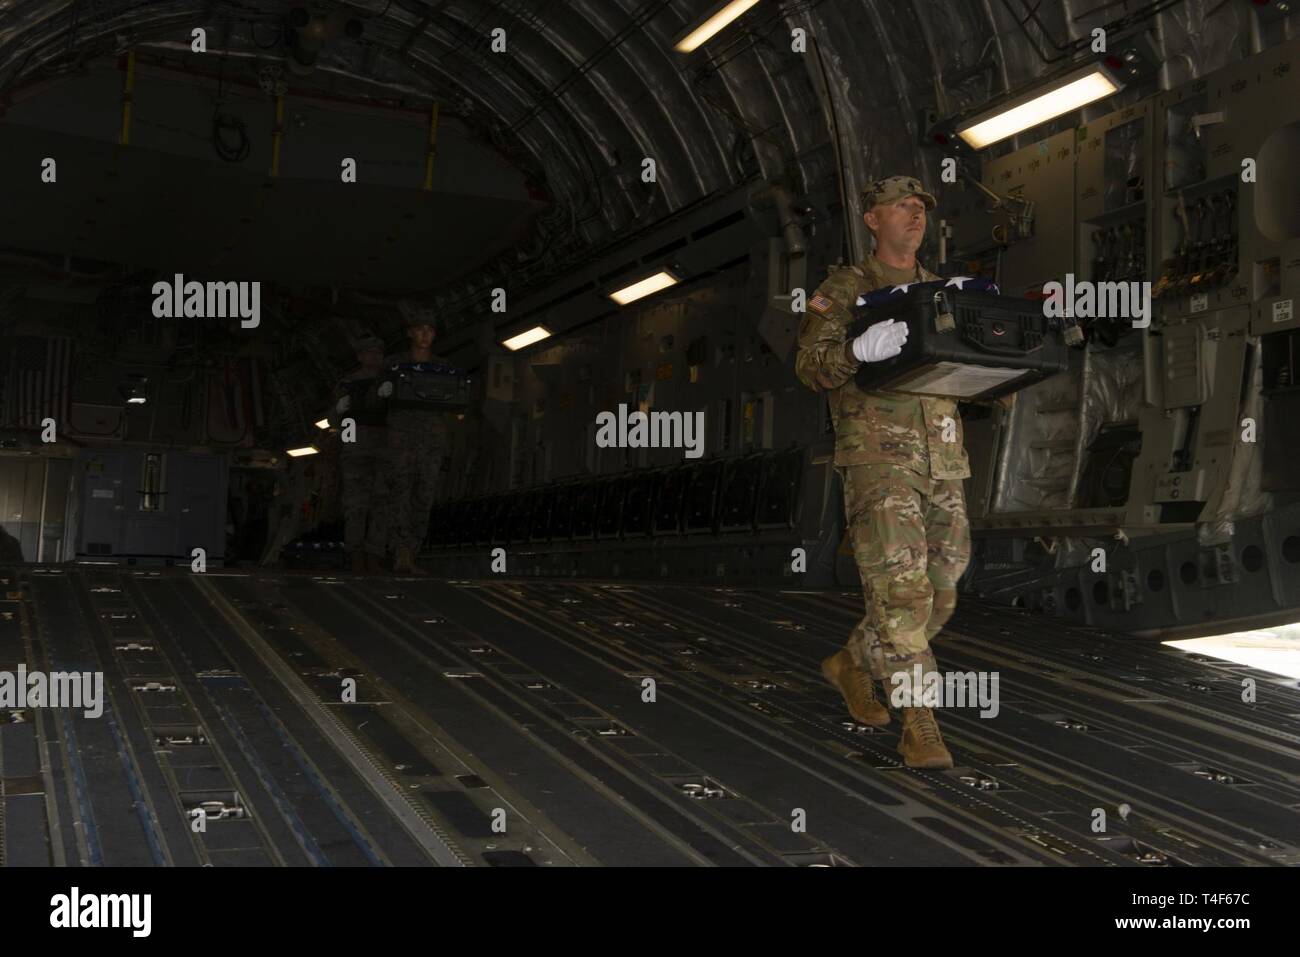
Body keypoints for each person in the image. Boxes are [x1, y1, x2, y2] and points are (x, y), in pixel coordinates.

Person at [795, 175, 972, 769]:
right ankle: (919, 723)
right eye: (902, 205)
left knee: (941, 592)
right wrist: (856, 351)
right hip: (878, 458)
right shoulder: (845, 288)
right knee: (901, 591)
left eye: (921, 206)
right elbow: (811, 367)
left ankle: (850, 662)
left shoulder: (944, 290)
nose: (915, 215)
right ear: (872, 219)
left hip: (943, 456)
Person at [365, 302, 452, 575]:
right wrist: (386, 391)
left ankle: (411, 550)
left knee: (424, 496)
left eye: (430, 330)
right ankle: (401, 552)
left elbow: (454, 403)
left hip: (430, 441)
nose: (425, 335)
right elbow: (374, 400)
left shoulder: (443, 367)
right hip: (401, 439)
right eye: (420, 330)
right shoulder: (393, 365)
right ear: (410, 333)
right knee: (399, 495)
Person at [335, 335, 388, 575]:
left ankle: (374, 554)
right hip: (356, 450)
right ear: (360, 356)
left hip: (384, 449)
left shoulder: (391, 381)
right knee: (356, 505)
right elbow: (333, 419)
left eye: (378, 352)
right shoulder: (347, 383)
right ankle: (355, 553)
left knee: (381, 505)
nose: (373, 357)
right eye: (369, 352)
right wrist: (339, 409)